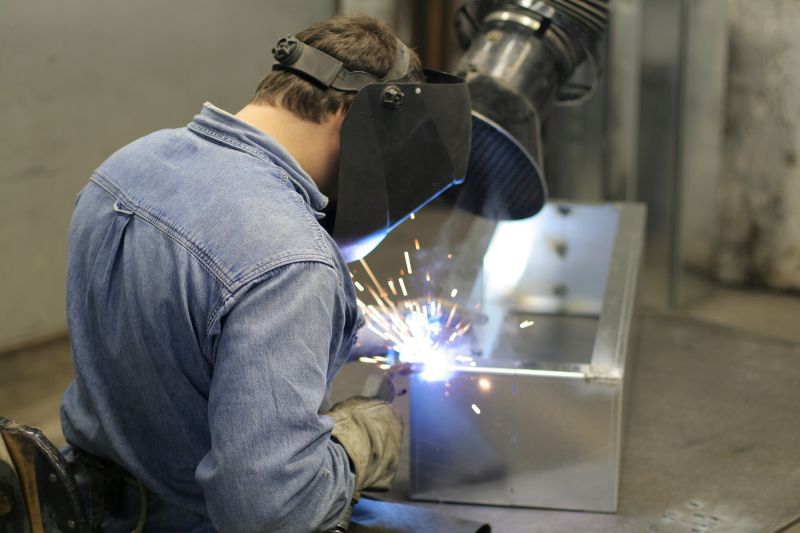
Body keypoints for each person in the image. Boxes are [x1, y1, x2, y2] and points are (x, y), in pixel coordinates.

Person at [59, 14, 472, 532]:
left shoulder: (127, 166)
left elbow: (193, 323)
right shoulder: (294, 258)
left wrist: (364, 328)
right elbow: (274, 513)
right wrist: (359, 439)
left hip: (86, 510)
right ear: (361, 123)